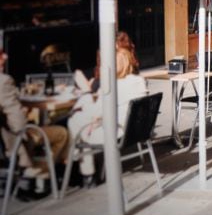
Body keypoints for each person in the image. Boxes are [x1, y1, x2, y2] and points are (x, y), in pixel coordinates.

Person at [67, 48, 148, 187]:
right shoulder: (139, 81)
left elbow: (94, 112)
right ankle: (81, 166)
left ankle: (84, 170)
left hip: (115, 132)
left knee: (75, 120)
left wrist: (86, 91)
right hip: (134, 131)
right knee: (81, 121)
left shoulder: (112, 86)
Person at [0, 48, 69, 184]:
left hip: (4, 141)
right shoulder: (3, 81)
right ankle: (40, 171)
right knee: (62, 133)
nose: (6, 56)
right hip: (16, 142)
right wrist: (27, 114)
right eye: (1, 53)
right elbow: (19, 123)